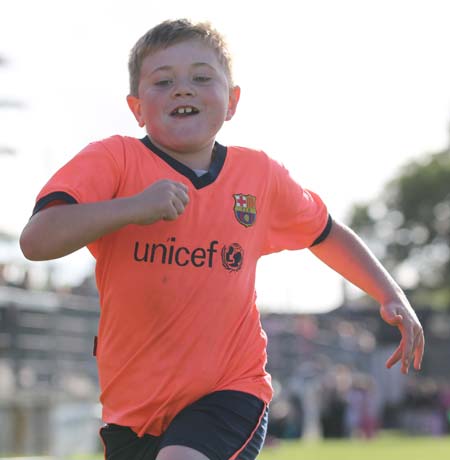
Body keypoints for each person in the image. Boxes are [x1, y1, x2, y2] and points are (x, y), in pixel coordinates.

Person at [20, 19, 424, 460]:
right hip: (131, 412)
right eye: (163, 81)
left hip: (231, 390)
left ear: (231, 101)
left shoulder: (260, 176)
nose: (183, 89)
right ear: (136, 108)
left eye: (201, 77)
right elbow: (36, 242)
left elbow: (324, 231)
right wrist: (132, 208)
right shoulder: (113, 159)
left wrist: (390, 293)